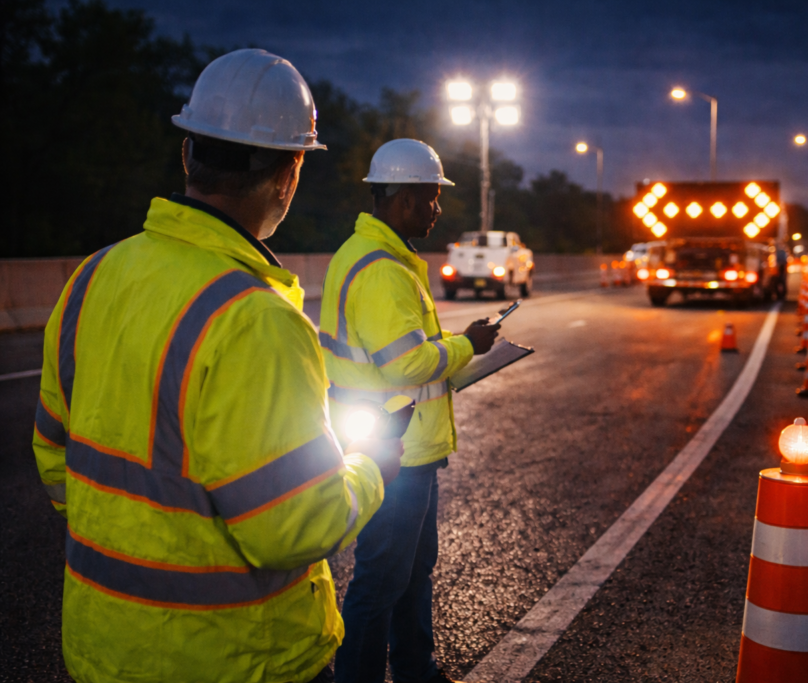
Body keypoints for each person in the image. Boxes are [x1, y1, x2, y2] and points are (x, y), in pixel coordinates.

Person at [31, 49, 401, 683]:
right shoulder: (256, 319)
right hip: (235, 659)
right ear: (288, 175)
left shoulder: (92, 277)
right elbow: (294, 527)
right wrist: (370, 467)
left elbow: (53, 456)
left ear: (188, 154)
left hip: (102, 648)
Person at [320, 139, 501, 683]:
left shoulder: (379, 256)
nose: (436, 209)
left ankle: (415, 670)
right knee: (381, 579)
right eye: (431, 198)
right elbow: (404, 364)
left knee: (413, 570)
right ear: (402, 200)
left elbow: (406, 346)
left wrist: (453, 346)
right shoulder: (381, 269)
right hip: (392, 449)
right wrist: (467, 346)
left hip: (405, 444)